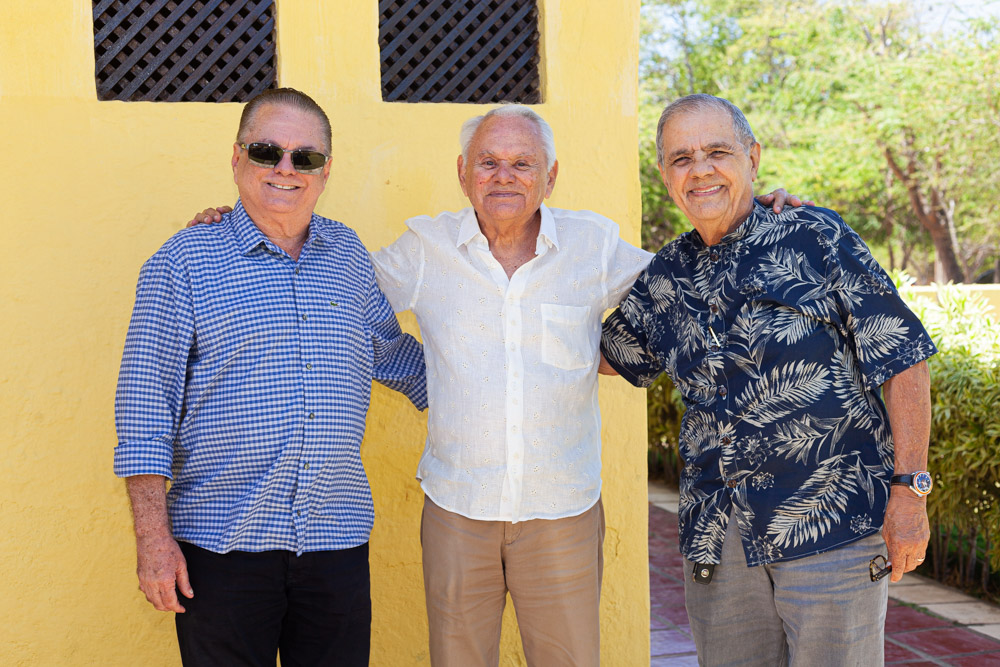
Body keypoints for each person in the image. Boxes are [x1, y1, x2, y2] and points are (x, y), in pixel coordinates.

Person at [189, 104, 805, 666]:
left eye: (522, 163)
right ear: (463, 174)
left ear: (550, 176)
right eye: (488, 162)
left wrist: (757, 216)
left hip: (562, 512)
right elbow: (330, 290)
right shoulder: (426, 248)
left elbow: (693, 279)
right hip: (457, 511)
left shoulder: (592, 245)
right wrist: (245, 224)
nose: (504, 176)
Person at [600, 93, 936, 665]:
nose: (700, 169)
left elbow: (904, 358)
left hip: (831, 526)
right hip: (719, 539)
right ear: (664, 176)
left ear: (752, 158)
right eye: (681, 158)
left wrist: (910, 490)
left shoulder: (815, 236)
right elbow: (605, 356)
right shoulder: (666, 276)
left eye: (717, 152)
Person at [114, 88, 427, 666]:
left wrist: (500, 392)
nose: (286, 168)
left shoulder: (347, 254)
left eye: (305, 157)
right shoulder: (183, 261)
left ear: (325, 171)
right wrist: (153, 540)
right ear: (237, 158)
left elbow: (392, 355)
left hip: (335, 543)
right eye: (267, 152)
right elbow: (143, 411)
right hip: (221, 548)